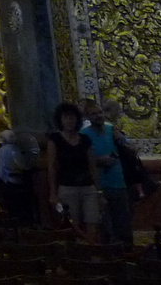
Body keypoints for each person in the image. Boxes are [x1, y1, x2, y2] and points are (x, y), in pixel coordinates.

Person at [84, 99, 133, 245]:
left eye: (100, 112)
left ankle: (127, 253)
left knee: (123, 223)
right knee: (105, 225)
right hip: (99, 184)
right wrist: (99, 160)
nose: (98, 116)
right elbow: (84, 160)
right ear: (88, 117)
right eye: (93, 114)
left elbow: (128, 148)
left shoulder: (112, 129)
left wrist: (125, 143)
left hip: (118, 182)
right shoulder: (84, 134)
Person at [47, 101, 101, 235]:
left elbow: (92, 165)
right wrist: (53, 193)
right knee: (72, 223)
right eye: (65, 117)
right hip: (67, 186)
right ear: (60, 120)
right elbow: (52, 167)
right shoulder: (55, 140)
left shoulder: (85, 139)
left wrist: (99, 190)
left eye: (72, 117)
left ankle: (93, 251)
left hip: (87, 186)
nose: (69, 121)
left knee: (92, 220)